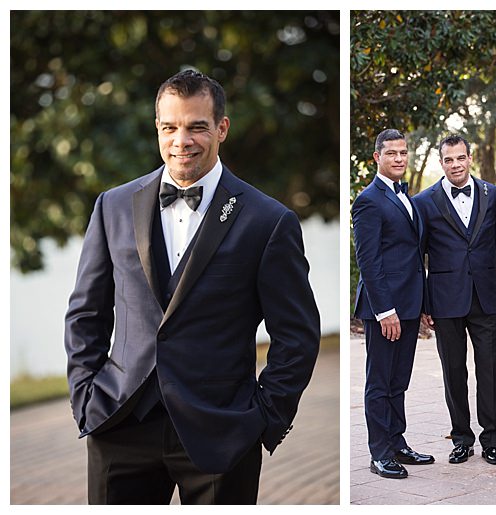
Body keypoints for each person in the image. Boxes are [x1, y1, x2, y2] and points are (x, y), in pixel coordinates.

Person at [64, 70, 320, 504]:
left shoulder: (268, 220)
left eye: (197, 126)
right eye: (170, 127)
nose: (182, 140)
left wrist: (263, 417)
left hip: (222, 431)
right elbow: (86, 312)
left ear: (221, 128)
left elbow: (297, 334)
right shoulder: (113, 206)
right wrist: (86, 394)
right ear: (158, 128)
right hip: (120, 422)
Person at [412, 135, 496, 466]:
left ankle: (493, 439)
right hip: (445, 299)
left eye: (461, 158)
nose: (456, 165)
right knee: (453, 372)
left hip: (484, 297)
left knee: (488, 370)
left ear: (471, 158)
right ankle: (462, 438)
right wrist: (425, 303)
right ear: (442, 162)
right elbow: (418, 255)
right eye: (449, 160)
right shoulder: (424, 202)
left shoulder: (493, 195)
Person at [352, 129, 434, 479]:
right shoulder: (368, 200)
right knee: (379, 381)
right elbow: (368, 262)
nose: (399, 158)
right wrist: (386, 311)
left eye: (403, 152)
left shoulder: (406, 197)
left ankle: (397, 443)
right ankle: (380, 453)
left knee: (399, 380)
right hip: (385, 310)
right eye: (391, 153)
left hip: (411, 306)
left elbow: (415, 257)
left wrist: (423, 304)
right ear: (377, 158)